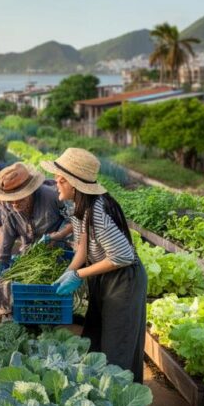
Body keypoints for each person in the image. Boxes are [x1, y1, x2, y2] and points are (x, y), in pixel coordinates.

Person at [42, 148, 148, 383]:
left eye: (61, 179)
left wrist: (78, 274)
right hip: (104, 276)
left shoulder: (97, 210)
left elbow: (122, 256)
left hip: (123, 281)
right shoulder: (79, 208)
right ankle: (101, 395)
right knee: (96, 336)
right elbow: (82, 246)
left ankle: (120, 401)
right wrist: (68, 271)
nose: (56, 183)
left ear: (72, 183)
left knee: (116, 345)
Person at [0, 162, 71, 318]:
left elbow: (72, 220)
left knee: (52, 288)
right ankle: (11, 316)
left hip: (57, 251)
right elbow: (6, 234)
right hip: (29, 254)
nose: (14, 203)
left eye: (19, 198)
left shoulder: (51, 196)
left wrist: (57, 235)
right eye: (11, 200)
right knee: (12, 284)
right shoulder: (8, 207)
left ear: (30, 191)